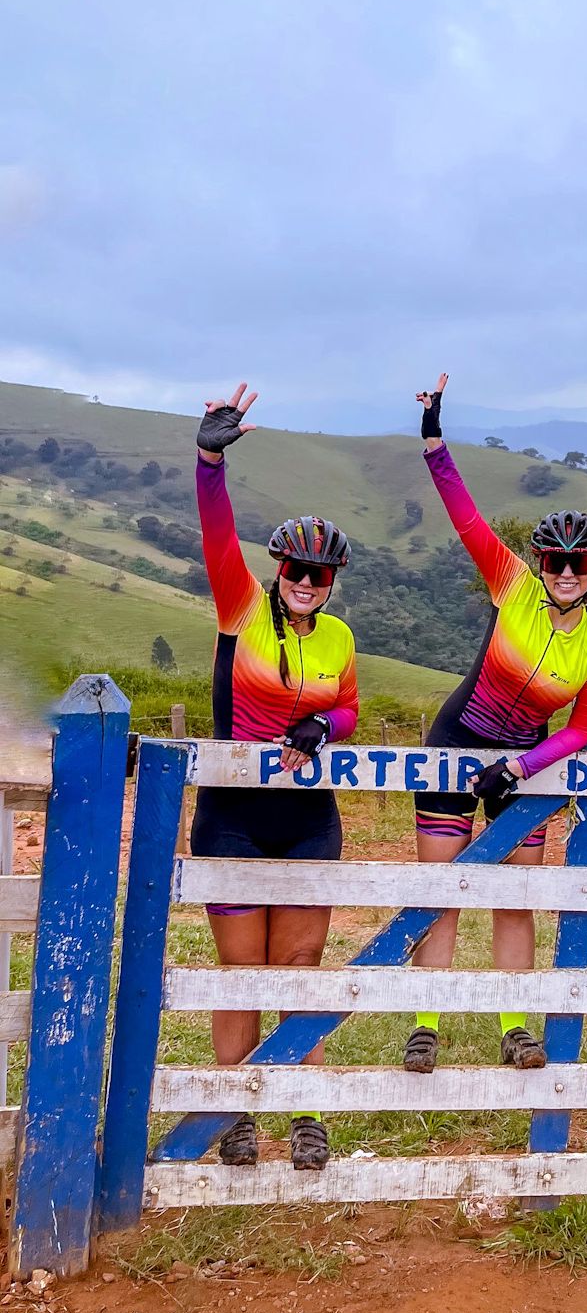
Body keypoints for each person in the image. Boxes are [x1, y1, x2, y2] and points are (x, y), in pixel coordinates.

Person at [403, 374, 587, 1074]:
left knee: (515, 897)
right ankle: (425, 1026)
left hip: (523, 765)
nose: (564, 571)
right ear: (541, 563)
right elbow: (466, 517)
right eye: (555, 560)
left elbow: (580, 731)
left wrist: (522, 767)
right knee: (441, 891)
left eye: (578, 563)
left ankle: (515, 1027)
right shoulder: (513, 585)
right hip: (455, 741)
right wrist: (435, 441)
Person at [192, 383, 359, 1170]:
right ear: (279, 569)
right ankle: (235, 1114)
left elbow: (349, 709)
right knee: (240, 972)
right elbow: (216, 534)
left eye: (320, 574)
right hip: (232, 815)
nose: (307, 581)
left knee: (299, 970)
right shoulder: (241, 609)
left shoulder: (338, 638)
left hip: (307, 821)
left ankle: (305, 1113)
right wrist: (210, 459)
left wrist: (325, 725)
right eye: (297, 568)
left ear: (331, 583)